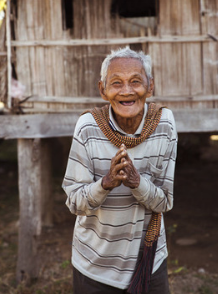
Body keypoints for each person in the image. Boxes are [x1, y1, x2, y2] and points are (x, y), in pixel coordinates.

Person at [63, 47, 176, 294]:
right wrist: (106, 183)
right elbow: (74, 203)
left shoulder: (164, 123)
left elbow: (165, 202)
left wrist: (137, 183)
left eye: (136, 81)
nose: (126, 91)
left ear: (151, 86)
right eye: (116, 83)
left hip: (149, 261)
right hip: (95, 265)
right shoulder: (88, 127)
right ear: (103, 90)